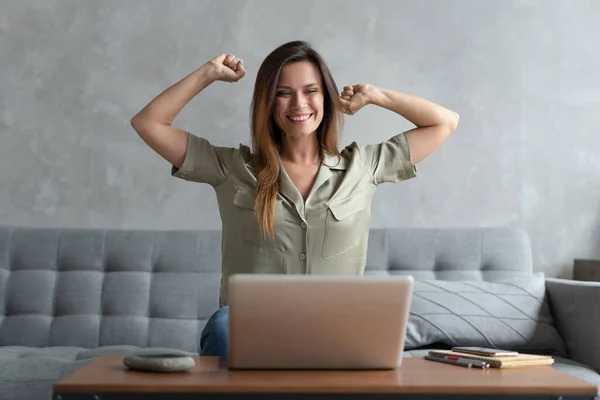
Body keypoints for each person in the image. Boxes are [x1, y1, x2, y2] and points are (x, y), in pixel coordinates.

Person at [130, 40, 459, 357]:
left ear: (326, 98)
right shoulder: (231, 168)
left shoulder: (363, 166)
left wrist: (376, 95)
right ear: (268, 104)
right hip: (254, 329)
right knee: (224, 326)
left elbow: (445, 122)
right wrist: (207, 73)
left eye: (310, 91)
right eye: (283, 94)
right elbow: (148, 123)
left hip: (338, 330)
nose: (298, 104)